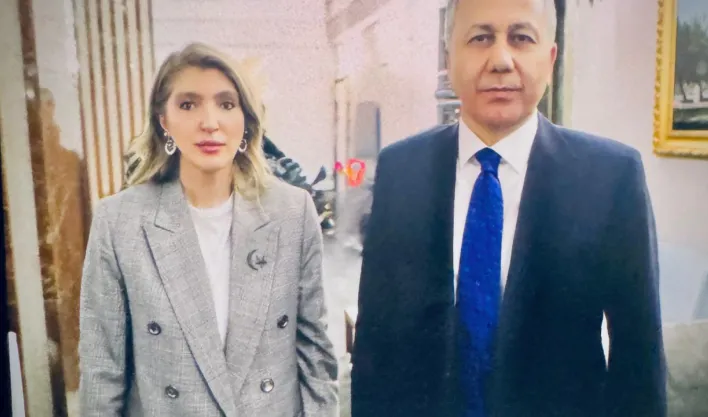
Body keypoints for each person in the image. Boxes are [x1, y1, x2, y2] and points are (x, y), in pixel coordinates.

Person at [350, 0, 666, 416]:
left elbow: (639, 357)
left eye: (521, 38)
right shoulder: (400, 170)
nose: (501, 60)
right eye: (481, 38)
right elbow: (375, 343)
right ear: (449, 57)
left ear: (550, 58)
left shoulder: (610, 177)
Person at [78, 42, 338, 417]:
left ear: (246, 119)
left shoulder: (292, 212)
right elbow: (102, 371)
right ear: (164, 120)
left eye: (226, 104)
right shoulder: (119, 221)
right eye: (188, 104)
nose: (209, 122)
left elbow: (316, 353)